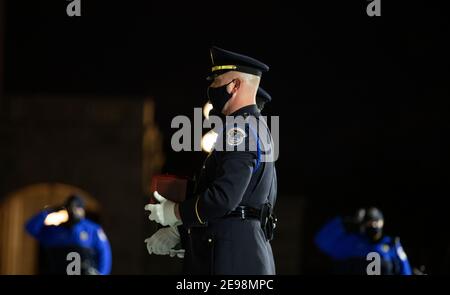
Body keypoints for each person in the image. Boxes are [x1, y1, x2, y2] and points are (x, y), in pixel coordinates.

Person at [144, 46, 278, 275]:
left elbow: (225, 198)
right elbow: (242, 206)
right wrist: (183, 234)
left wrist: (175, 213)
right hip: (236, 253)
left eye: (217, 80)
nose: (211, 88)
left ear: (234, 85)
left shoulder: (240, 131)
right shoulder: (251, 127)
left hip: (232, 260)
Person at [25, 195, 112, 275]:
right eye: (70, 208)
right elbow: (30, 228)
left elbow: (104, 253)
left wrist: (101, 273)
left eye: (77, 208)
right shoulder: (54, 230)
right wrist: (48, 212)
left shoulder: (91, 229)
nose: (73, 212)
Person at [314, 207, 412, 275]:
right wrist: (344, 222)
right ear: (362, 225)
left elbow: (406, 271)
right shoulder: (353, 243)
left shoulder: (392, 245)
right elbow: (321, 241)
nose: (373, 226)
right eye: (369, 223)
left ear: (382, 223)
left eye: (375, 222)